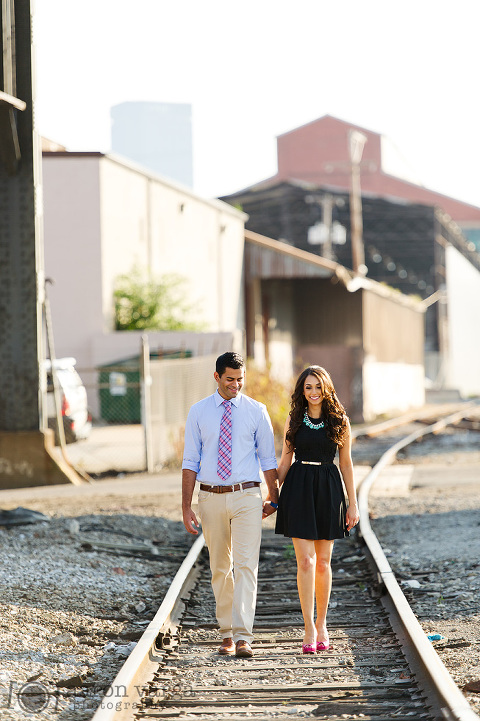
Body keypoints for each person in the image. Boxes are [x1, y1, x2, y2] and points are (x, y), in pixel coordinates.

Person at [182, 352, 279, 658]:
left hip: (247, 495)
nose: (236, 385)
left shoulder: (256, 411)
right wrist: (186, 505)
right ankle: (226, 632)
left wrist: (274, 497)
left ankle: (243, 636)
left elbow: (268, 459)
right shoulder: (198, 412)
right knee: (220, 567)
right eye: (230, 379)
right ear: (217, 377)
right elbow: (190, 461)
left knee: (246, 565)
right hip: (210, 496)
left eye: (240, 379)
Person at [275, 365, 359, 654]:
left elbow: (346, 464)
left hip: (328, 488)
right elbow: (284, 461)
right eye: (308, 387)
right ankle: (308, 628)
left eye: (317, 387)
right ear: (302, 390)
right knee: (306, 562)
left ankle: (323, 625)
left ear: (327, 388)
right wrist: (273, 496)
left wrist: (353, 504)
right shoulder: (294, 419)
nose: (313, 392)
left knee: (323, 563)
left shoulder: (340, 421)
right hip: (298, 488)